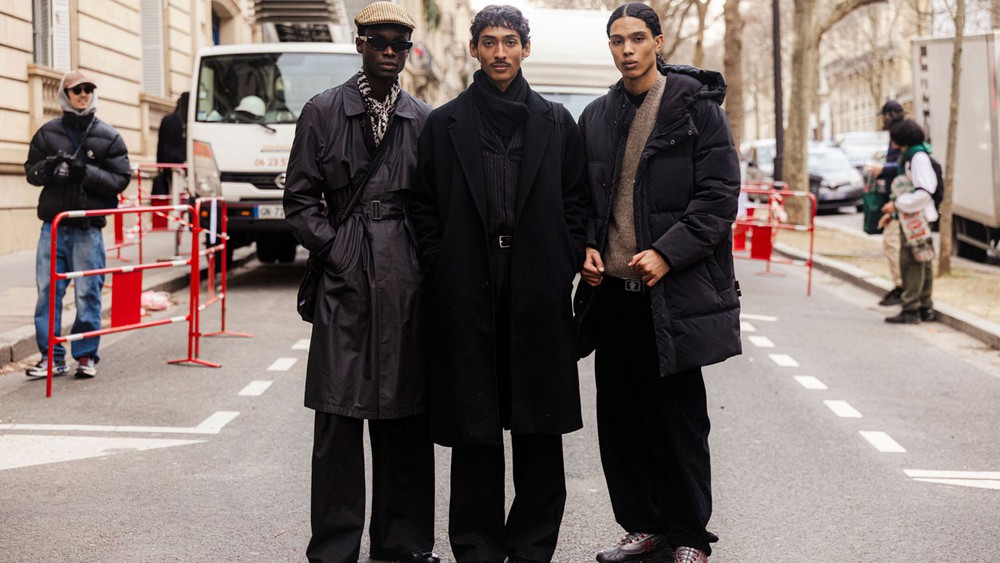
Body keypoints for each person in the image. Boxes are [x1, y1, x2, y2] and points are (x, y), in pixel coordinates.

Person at [410, 5, 588, 562]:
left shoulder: (559, 123)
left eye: (510, 42)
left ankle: (533, 546)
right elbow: (423, 207)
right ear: (474, 50)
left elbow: (578, 202)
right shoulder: (444, 124)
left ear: (525, 48)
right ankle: (477, 546)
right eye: (489, 42)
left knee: (539, 426)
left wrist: (561, 262)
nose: (500, 53)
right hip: (467, 284)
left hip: (538, 283)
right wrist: (442, 263)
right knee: (475, 427)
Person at [574, 4, 742, 563]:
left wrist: (668, 254)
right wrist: (587, 248)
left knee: (678, 423)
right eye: (617, 39)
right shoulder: (595, 117)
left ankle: (690, 535)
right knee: (621, 422)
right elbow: (580, 201)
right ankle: (642, 527)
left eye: (638, 38)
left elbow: (718, 201)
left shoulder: (696, 112)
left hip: (670, 296)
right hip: (611, 297)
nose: (627, 49)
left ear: (658, 42)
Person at [282, 3, 438, 563]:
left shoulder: (423, 119)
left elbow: (433, 205)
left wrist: (424, 264)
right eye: (379, 41)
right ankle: (334, 547)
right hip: (344, 274)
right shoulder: (323, 111)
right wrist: (335, 248)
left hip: (407, 277)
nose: (389, 51)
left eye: (399, 43)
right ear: (361, 44)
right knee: (339, 418)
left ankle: (403, 544)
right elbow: (299, 199)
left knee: (406, 415)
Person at [23, 69, 131, 379]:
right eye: (76, 89)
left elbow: (121, 179)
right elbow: (30, 172)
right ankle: (52, 357)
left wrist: (86, 173)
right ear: (65, 94)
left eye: (88, 89)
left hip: (88, 229)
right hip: (53, 228)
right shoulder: (47, 133)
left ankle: (86, 356)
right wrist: (48, 168)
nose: (83, 94)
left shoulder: (109, 136)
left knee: (88, 293)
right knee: (48, 292)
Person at [879, 119, 938, 324]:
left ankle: (912, 307)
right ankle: (924, 306)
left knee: (911, 260)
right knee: (923, 259)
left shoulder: (917, 158)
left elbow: (925, 191)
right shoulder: (915, 156)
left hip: (915, 217)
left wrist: (898, 204)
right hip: (916, 215)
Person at [867, 100, 906, 306]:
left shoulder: (900, 135)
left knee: (892, 243)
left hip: (901, 199)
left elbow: (903, 166)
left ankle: (902, 287)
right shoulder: (896, 134)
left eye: (884, 116)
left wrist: (883, 169)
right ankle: (903, 287)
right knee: (895, 244)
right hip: (897, 198)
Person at [152, 92, 188, 197]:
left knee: (171, 189)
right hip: (184, 163)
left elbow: (160, 143)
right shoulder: (188, 121)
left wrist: (159, 164)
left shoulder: (167, 119)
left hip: (168, 162)